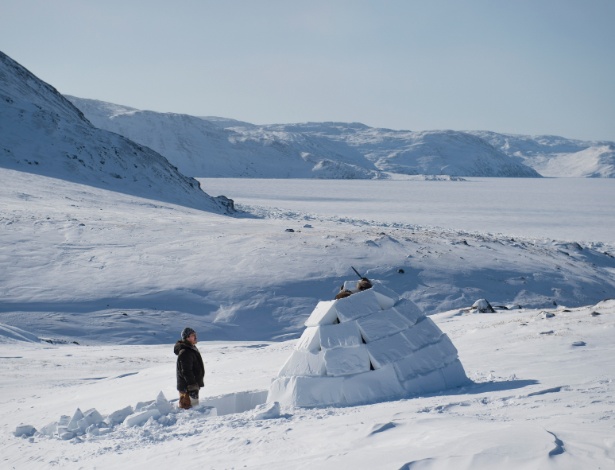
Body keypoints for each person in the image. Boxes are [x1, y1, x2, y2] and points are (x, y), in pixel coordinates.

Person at [174, 327, 205, 409]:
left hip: (191, 387)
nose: (195, 337)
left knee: (194, 409)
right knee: (188, 412)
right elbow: (186, 371)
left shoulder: (190, 349)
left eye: (195, 335)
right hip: (187, 388)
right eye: (193, 335)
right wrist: (192, 386)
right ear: (187, 337)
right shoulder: (185, 352)